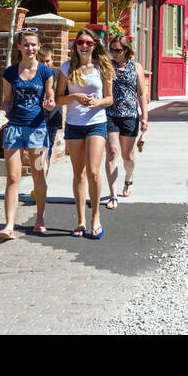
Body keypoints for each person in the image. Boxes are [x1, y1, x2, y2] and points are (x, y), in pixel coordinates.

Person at [0, 29, 57, 240]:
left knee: (38, 175)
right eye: (26, 44)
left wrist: (49, 104)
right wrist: (0, 117)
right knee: (13, 177)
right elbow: (7, 100)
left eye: (33, 44)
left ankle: (39, 219)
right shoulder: (10, 73)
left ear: (39, 47)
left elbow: (50, 98)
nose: (30, 48)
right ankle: (9, 225)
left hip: (38, 129)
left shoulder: (46, 72)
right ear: (19, 47)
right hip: (14, 128)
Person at [56, 29, 114, 239]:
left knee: (93, 171)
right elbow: (58, 99)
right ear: (76, 45)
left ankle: (96, 217)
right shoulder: (66, 69)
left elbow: (109, 99)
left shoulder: (103, 68)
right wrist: (75, 96)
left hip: (96, 122)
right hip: (74, 124)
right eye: (80, 42)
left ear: (95, 45)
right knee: (78, 173)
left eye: (88, 43)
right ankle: (80, 220)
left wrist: (97, 102)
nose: (84, 46)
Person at [104, 36, 150, 205]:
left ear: (126, 50)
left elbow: (141, 93)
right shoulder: (108, 66)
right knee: (112, 153)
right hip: (110, 113)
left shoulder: (136, 67)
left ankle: (129, 178)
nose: (114, 53)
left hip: (130, 115)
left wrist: (144, 116)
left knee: (128, 156)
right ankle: (113, 194)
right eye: (112, 50)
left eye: (118, 50)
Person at [39, 46, 63, 174]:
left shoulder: (57, 76)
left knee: (47, 149)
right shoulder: (31, 76)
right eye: (41, 61)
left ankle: (41, 185)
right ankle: (39, 184)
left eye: (47, 61)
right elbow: (9, 101)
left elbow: (64, 97)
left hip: (52, 118)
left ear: (52, 60)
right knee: (39, 152)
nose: (44, 64)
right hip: (34, 120)